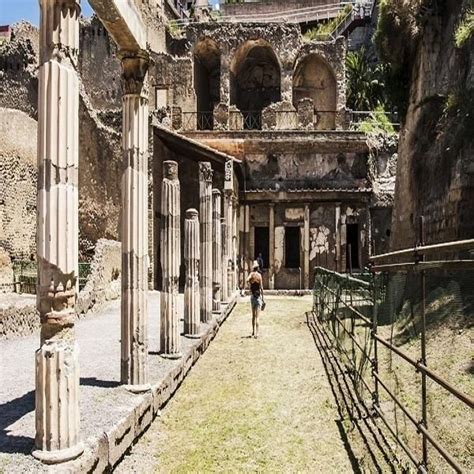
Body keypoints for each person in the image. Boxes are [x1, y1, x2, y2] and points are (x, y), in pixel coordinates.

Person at [246, 261, 264, 338]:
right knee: (258, 317)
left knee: (253, 316)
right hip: (258, 297)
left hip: (253, 297)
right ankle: (257, 333)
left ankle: (253, 331)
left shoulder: (251, 275)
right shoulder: (259, 276)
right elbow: (261, 288)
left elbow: (247, 280)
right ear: (258, 267)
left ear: (253, 267)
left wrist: (250, 285)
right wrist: (263, 298)